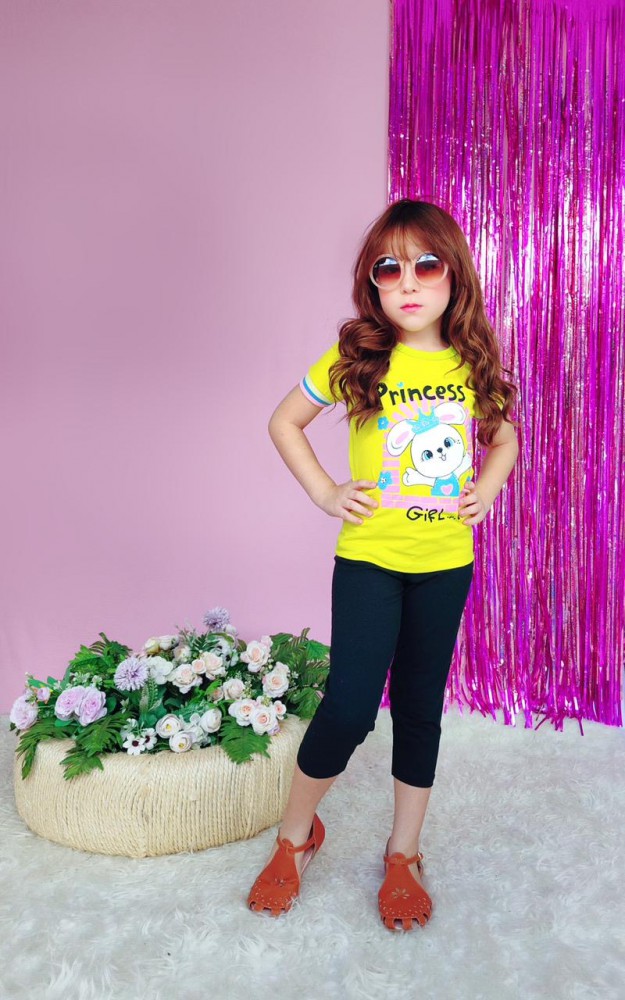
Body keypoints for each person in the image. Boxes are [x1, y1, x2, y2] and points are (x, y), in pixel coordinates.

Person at [247, 198, 520, 931]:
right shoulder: (356, 359)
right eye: (387, 268)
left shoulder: (472, 363)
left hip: (445, 564)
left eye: (426, 265)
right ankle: (296, 836)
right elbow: (284, 421)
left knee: (420, 709)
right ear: (371, 282)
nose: (408, 282)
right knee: (349, 707)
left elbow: (504, 439)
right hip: (369, 560)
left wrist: (488, 490)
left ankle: (404, 853)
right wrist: (324, 491)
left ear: (453, 275)